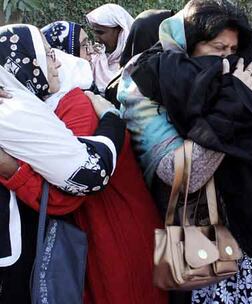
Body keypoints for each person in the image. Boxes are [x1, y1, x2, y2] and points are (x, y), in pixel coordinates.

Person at [119, 0, 252, 303]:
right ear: (188, 46)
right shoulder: (145, 87)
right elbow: (185, 174)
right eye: (217, 49)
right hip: (202, 244)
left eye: (233, 52)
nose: (227, 60)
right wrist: (235, 105)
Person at [0, 24, 167, 304]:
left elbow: (73, 189)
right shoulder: (27, 111)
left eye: (53, 52)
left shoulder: (72, 105)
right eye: (46, 53)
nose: (55, 61)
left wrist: (12, 170)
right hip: (96, 236)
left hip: (112, 234)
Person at [86, 3, 133, 94]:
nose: (96, 39)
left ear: (121, 31)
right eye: (95, 33)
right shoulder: (96, 60)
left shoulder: (136, 63)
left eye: (100, 32)